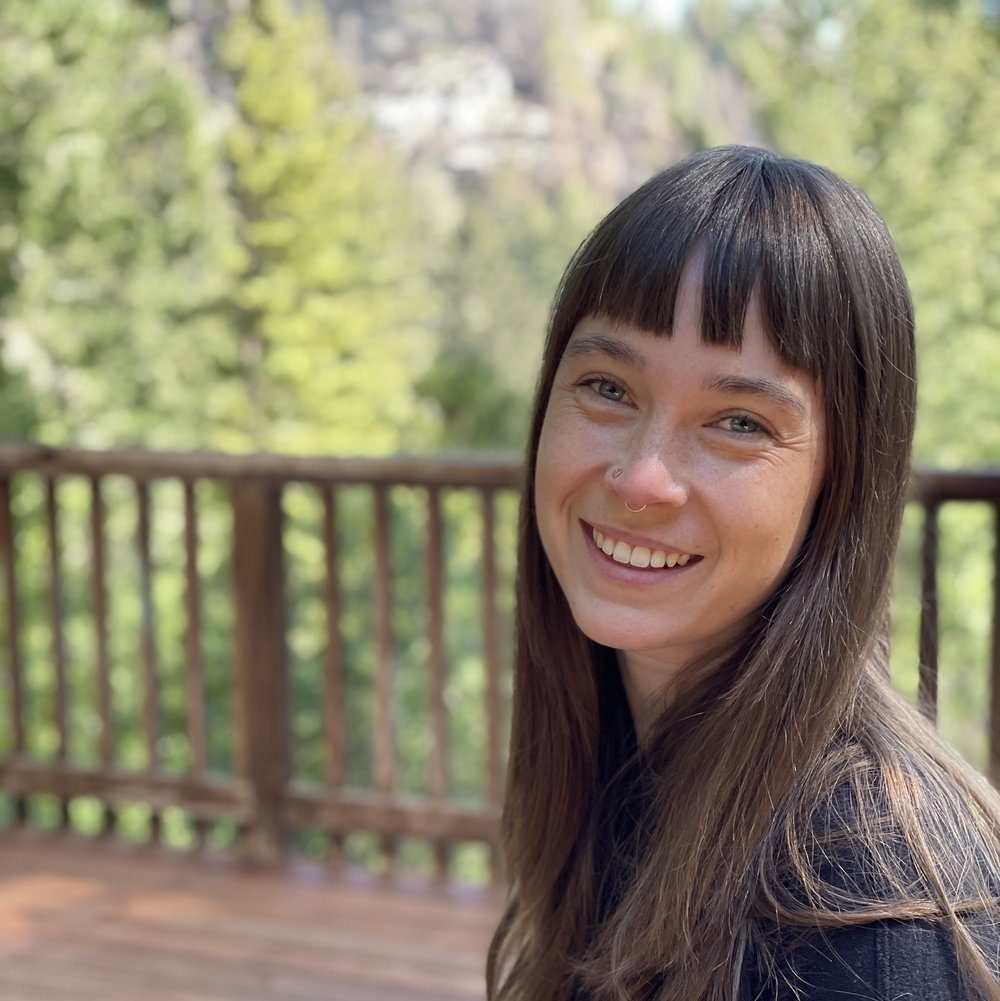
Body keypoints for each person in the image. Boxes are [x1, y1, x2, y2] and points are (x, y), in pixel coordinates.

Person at [486, 145, 1000, 1001]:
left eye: (737, 420)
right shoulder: (629, 763)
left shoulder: (868, 915)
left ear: (840, 482)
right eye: (608, 388)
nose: (642, 477)